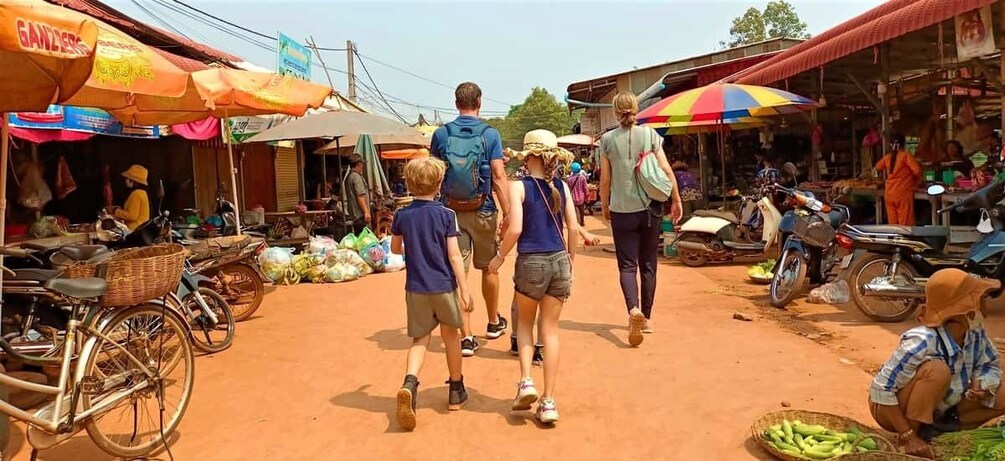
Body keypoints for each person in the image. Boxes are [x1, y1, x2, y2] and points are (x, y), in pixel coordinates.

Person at [488, 129, 577, 425]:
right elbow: (573, 229)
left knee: (524, 324)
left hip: (531, 262)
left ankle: (526, 382)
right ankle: (549, 402)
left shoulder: (518, 187)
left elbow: (514, 229)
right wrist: (570, 263)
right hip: (559, 261)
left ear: (527, 156)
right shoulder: (562, 187)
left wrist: (499, 258)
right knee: (550, 331)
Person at [869, 269, 1005, 458]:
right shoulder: (923, 341)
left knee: (1001, 392)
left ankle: (942, 431)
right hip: (893, 410)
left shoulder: (975, 332)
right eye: (980, 300)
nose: (985, 306)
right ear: (964, 312)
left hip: (944, 405)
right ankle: (912, 438)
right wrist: (908, 436)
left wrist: (982, 382)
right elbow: (881, 390)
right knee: (937, 372)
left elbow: (990, 365)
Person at [391, 157, 474, 431]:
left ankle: (410, 382)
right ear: (439, 184)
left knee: (420, 339)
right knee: (451, 337)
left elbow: (394, 249)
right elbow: (453, 256)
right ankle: (456, 390)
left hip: (416, 287)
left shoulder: (402, 215)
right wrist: (464, 290)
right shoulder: (446, 215)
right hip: (443, 286)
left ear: (409, 183)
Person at [430, 82, 511, 357]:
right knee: (489, 268)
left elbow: (432, 176)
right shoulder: (490, 135)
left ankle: (466, 338)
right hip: (484, 209)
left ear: (456, 104)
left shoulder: (441, 135)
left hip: (450, 213)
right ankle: (492, 323)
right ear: (480, 102)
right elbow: (499, 176)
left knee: (458, 274)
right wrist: (509, 212)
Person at [599, 91, 683, 347]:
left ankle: (632, 309)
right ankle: (646, 317)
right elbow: (666, 170)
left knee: (627, 266)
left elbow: (605, 180)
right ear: (636, 109)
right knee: (648, 265)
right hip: (650, 209)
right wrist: (677, 199)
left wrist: (605, 206)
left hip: (622, 210)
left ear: (615, 112)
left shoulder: (607, 140)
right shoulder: (650, 136)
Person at [875, 134, 923, 226]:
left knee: (893, 224)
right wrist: (917, 182)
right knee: (905, 224)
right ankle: (904, 240)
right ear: (903, 144)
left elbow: (876, 168)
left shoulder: (887, 157)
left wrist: (879, 178)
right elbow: (917, 171)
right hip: (903, 193)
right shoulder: (906, 156)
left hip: (889, 193)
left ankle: (894, 239)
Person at [108, 165, 150, 231]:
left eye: (127, 178)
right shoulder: (142, 193)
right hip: (140, 230)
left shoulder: (136, 194)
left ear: (132, 181)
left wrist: (115, 210)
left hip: (134, 231)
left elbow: (132, 216)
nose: (125, 180)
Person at [341, 154, 371, 235]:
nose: (362, 165)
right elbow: (360, 196)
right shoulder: (356, 177)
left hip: (354, 214)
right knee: (364, 239)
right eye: (362, 163)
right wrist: (366, 212)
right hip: (360, 214)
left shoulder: (349, 177)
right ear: (358, 164)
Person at [566, 162, 589, 226]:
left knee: (574, 212)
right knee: (581, 211)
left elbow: (568, 189)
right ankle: (582, 222)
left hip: (572, 198)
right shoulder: (582, 178)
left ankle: (575, 223)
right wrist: (587, 197)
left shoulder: (569, 179)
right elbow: (585, 188)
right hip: (581, 198)